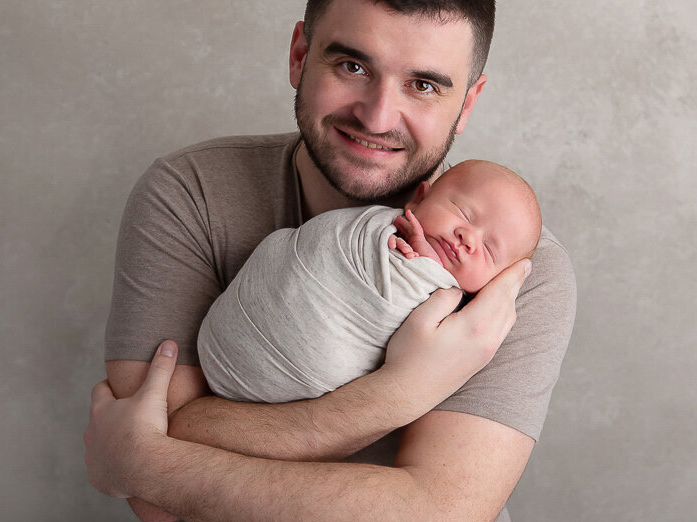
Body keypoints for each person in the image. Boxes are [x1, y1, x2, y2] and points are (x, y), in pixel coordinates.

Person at [85, 0, 576, 522]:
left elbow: (438, 521)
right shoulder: (189, 196)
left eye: (423, 85)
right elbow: (155, 501)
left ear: (467, 103)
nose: (377, 116)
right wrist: (401, 392)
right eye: (352, 66)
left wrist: (150, 462)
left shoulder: (515, 267)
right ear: (299, 56)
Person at [200, 160, 544, 404]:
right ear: (421, 197)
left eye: (487, 249)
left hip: (288, 384)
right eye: (463, 213)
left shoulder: (485, 314)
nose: (467, 237)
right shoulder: (377, 232)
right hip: (230, 334)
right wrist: (421, 263)